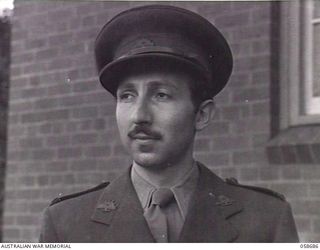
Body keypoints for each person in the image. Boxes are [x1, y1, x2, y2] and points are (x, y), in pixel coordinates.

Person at [39, 5, 299, 243]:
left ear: (201, 115)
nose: (139, 115)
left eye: (161, 95)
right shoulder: (66, 222)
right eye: (127, 96)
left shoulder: (266, 219)